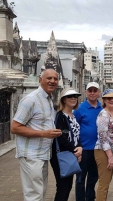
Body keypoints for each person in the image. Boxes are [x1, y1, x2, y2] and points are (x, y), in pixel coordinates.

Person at [11, 69, 62, 201]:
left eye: (55, 79)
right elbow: (15, 127)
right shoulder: (31, 99)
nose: (52, 81)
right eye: (48, 78)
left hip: (43, 154)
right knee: (34, 195)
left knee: (40, 193)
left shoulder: (48, 99)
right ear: (40, 80)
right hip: (31, 155)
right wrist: (44, 133)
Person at [50, 87, 83, 201]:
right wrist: (75, 151)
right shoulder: (60, 116)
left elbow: (76, 135)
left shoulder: (73, 115)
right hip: (62, 155)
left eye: (75, 96)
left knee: (67, 186)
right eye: (70, 96)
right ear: (63, 99)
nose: (73, 98)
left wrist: (79, 147)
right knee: (63, 187)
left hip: (71, 154)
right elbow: (61, 137)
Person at [74, 82, 103, 201]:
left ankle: (90, 198)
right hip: (83, 149)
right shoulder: (79, 108)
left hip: (97, 150)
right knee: (80, 179)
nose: (92, 93)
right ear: (86, 92)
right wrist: (77, 146)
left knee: (93, 177)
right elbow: (74, 128)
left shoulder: (102, 108)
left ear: (99, 92)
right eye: (90, 90)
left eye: (94, 90)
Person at [94, 88, 113, 201]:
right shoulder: (103, 115)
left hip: (112, 151)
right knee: (103, 184)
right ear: (104, 100)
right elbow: (103, 137)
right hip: (103, 151)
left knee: (107, 182)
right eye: (109, 98)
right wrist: (110, 157)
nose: (112, 100)